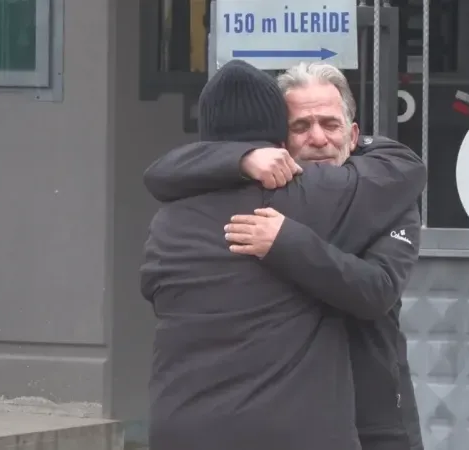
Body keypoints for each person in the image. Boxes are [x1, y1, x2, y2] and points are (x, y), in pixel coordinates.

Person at [140, 60, 426, 450]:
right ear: (279, 141)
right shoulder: (297, 196)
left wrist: (287, 242)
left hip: (375, 417)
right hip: (304, 417)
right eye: (301, 126)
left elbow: (377, 290)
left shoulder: (384, 198)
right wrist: (241, 160)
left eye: (331, 124)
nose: (318, 138)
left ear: (354, 134)